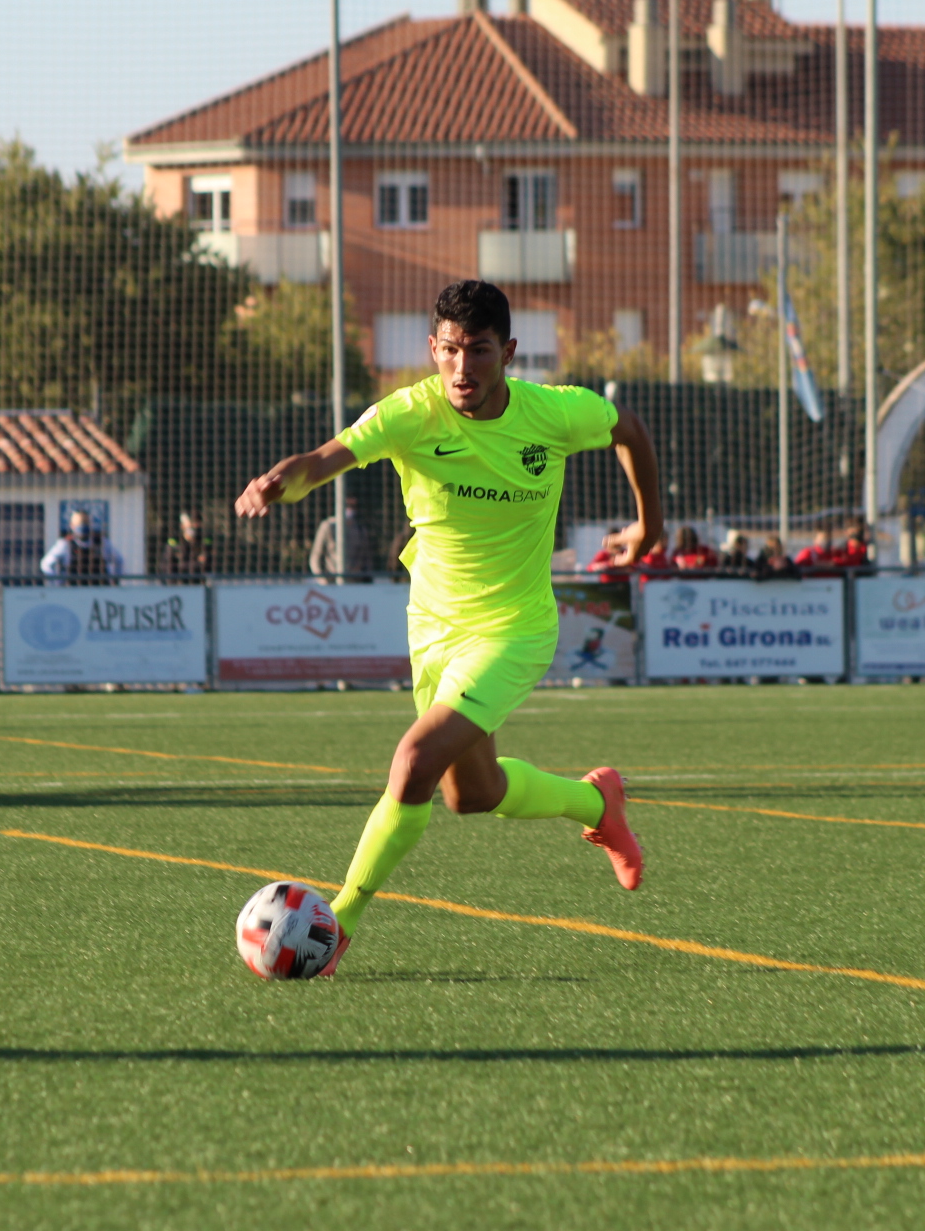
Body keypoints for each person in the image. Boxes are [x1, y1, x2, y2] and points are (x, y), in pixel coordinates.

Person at [234, 279, 660, 975]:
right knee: (473, 794)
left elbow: (630, 431)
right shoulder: (410, 415)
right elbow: (325, 459)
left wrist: (650, 527)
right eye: (452, 351)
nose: (464, 369)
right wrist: (281, 480)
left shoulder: (553, 414)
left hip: (515, 630)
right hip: (433, 629)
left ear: (509, 353)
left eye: (481, 351)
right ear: (433, 349)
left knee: (413, 764)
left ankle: (337, 923)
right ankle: (595, 800)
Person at [40, 509, 124, 585]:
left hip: (99, 588)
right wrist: (58, 582)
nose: (83, 527)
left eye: (85, 523)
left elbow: (119, 560)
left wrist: (114, 581)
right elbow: (46, 564)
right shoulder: (65, 544)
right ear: (72, 526)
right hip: (73, 589)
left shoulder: (102, 542)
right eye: (80, 524)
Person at [309, 495, 373, 580]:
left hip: (354, 583)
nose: (350, 509)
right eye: (347, 505)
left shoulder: (360, 530)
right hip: (331, 582)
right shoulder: (328, 526)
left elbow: (366, 559)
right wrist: (322, 580)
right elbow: (315, 556)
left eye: (353, 506)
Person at [160, 510, 220, 581]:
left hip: (201, 583)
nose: (193, 526)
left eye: (196, 522)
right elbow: (170, 565)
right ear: (182, 526)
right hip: (178, 583)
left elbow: (210, 562)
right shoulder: (174, 543)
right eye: (190, 523)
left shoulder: (206, 540)